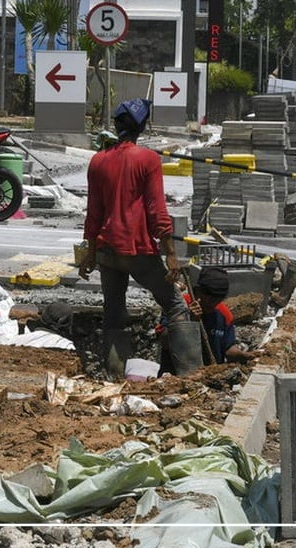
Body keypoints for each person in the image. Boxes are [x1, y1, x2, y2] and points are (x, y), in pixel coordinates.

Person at [78, 97, 201, 379]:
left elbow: (93, 213)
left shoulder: (98, 161)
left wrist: (90, 252)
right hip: (137, 250)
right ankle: (192, 375)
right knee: (174, 303)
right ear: (142, 127)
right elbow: (156, 210)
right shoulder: (147, 159)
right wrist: (170, 253)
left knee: (113, 311)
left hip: (108, 251)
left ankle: (114, 375)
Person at [158, 267, 258, 373]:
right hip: (176, 376)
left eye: (218, 299)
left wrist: (244, 355)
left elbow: (228, 349)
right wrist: (187, 322)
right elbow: (164, 341)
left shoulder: (224, 314)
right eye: (210, 298)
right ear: (198, 292)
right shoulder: (177, 306)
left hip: (208, 377)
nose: (213, 303)